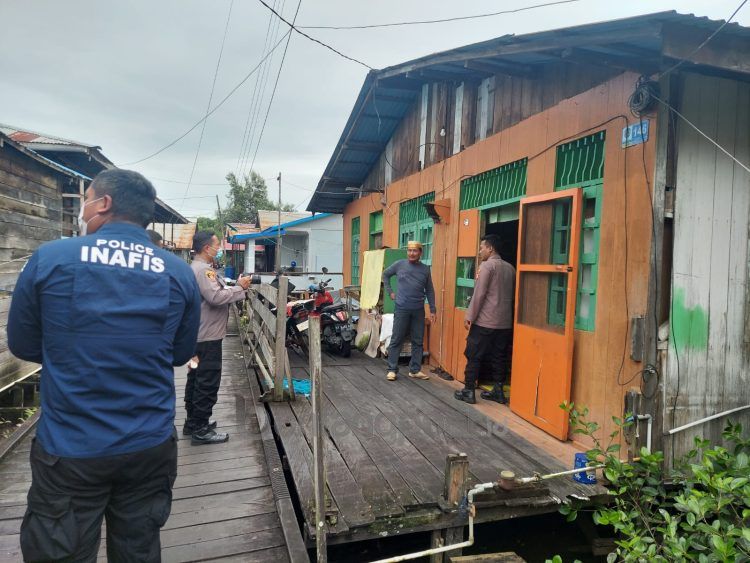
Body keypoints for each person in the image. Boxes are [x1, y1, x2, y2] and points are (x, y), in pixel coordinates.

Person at [7, 169, 201, 561]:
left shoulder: (51, 258)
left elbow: (24, 344)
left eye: (86, 199)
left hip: (72, 447)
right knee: (139, 549)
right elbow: (180, 355)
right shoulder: (177, 271)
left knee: (59, 551)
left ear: (105, 203)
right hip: (150, 444)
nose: (83, 209)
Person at [185, 231, 251, 445]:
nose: (219, 249)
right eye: (216, 245)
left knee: (195, 378)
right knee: (207, 381)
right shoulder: (204, 271)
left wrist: (234, 287)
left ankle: (193, 422)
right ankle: (201, 428)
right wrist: (240, 288)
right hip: (207, 338)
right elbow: (215, 297)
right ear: (206, 248)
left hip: (196, 335)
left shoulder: (194, 268)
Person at [454, 234, 515, 405]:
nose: (480, 251)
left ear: (490, 248)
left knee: (474, 354)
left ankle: (468, 390)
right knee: (499, 356)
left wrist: (469, 316)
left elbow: (479, 294)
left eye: (482, 248)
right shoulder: (511, 268)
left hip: (485, 322)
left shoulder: (487, 266)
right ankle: (498, 391)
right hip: (504, 323)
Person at [382, 240, 437, 381]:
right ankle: (392, 369)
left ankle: (415, 369)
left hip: (418, 309)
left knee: (418, 341)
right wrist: (390, 292)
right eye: (409, 251)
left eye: (415, 251)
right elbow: (385, 275)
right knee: (397, 339)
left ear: (420, 253)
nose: (411, 253)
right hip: (402, 308)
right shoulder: (400, 264)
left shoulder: (425, 269)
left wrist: (433, 309)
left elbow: (430, 290)